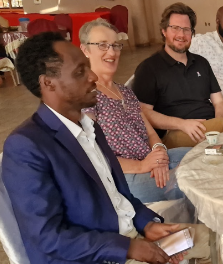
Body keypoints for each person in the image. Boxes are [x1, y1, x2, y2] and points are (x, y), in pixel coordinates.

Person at [5, 32, 223, 264]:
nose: (92, 77)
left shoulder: (89, 128)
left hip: (128, 237)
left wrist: (146, 224)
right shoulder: (27, 146)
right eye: (80, 72)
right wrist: (128, 247)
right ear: (49, 84)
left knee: (211, 241)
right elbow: (49, 237)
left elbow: (117, 195)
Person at [80, 19, 192, 205]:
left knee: (206, 156)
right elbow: (93, 154)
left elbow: (150, 132)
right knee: (188, 182)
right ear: (85, 50)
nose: (111, 52)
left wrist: (158, 153)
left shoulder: (125, 91)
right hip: (123, 176)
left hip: (150, 160)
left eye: (115, 45)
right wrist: (142, 166)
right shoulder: (86, 95)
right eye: (102, 45)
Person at [132, 3, 223, 150]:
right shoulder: (149, 68)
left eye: (186, 29)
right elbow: (143, 112)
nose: (181, 35)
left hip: (208, 128)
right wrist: (182, 124)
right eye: (175, 28)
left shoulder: (201, 63)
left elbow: (219, 101)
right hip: (174, 133)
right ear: (164, 31)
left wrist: (216, 124)